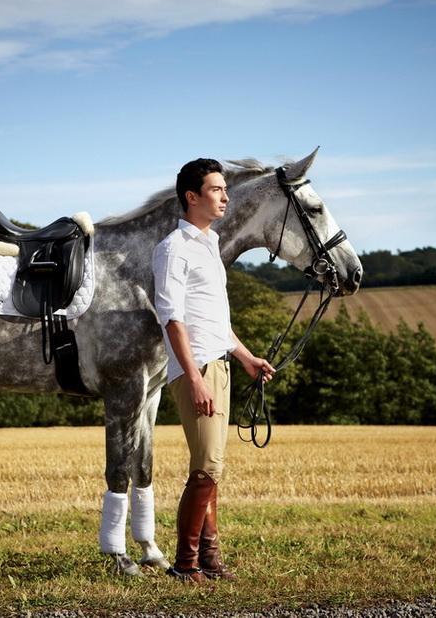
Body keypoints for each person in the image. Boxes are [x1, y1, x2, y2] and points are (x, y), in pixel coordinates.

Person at [152, 158, 275, 583]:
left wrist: (245, 357)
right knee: (206, 466)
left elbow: (214, 320)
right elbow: (172, 319)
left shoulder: (209, 245)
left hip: (219, 363)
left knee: (213, 466)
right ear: (192, 196)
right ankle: (185, 565)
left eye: (224, 189)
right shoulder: (173, 249)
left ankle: (210, 560)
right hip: (197, 368)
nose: (225, 196)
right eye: (216, 189)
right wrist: (195, 378)